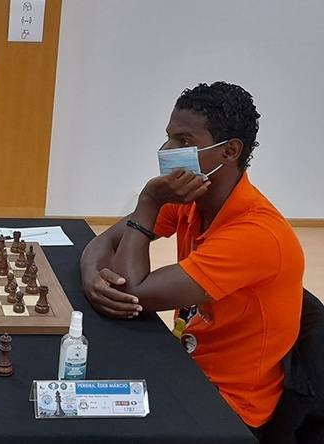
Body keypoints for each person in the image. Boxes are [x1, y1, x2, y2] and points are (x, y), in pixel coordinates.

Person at [80, 82, 304, 433]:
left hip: (228, 406)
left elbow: (131, 291)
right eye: (168, 137)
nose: (167, 150)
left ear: (229, 150)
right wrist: (92, 276)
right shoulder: (193, 200)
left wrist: (149, 201)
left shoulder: (255, 234)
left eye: (183, 141)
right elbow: (104, 241)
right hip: (185, 361)